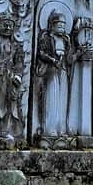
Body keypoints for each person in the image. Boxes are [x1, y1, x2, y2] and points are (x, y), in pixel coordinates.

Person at [34, 10, 72, 139]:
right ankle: (49, 128)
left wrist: (79, 53)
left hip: (63, 71)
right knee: (52, 97)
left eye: (64, 25)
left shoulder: (66, 40)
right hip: (51, 71)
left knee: (63, 99)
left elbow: (69, 58)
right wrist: (53, 60)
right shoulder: (46, 37)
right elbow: (41, 53)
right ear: (52, 25)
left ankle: (61, 128)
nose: (62, 28)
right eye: (59, 25)